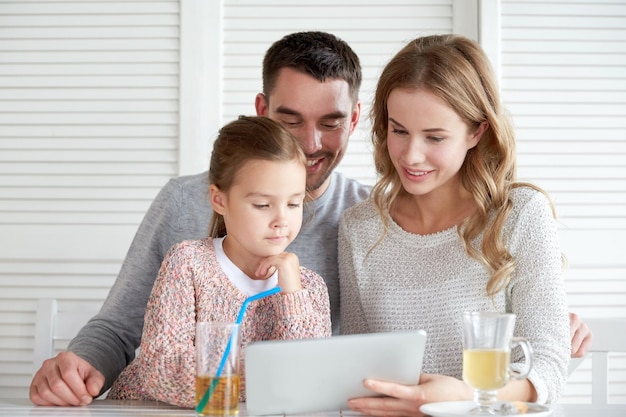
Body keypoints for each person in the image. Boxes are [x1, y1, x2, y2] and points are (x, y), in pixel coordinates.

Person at [30, 31, 591, 407]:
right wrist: (81, 362)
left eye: (331, 121)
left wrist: (537, 336)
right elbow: (122, 326)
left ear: (353, 123)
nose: (309, 143)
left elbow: (520, 341)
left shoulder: (365, 213)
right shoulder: (192, 205)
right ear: (261, 112)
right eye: (289, 119)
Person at [338, 34, 571, 416]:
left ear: (476, 132)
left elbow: (548, 365)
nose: (411, 155)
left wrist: (465, 398)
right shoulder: (359, 227)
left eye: (434, 137)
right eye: (399, 130)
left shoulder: (521, 215)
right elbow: (359, 365)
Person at [104, 115, 331, 406]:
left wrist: (292, 295)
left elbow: (307, 383)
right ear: (219, 200)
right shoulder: (188, 264)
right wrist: (269, 376)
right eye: (262, 205)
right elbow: (161, 370)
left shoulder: (308, 288)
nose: (281, 220)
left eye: (293, 203)